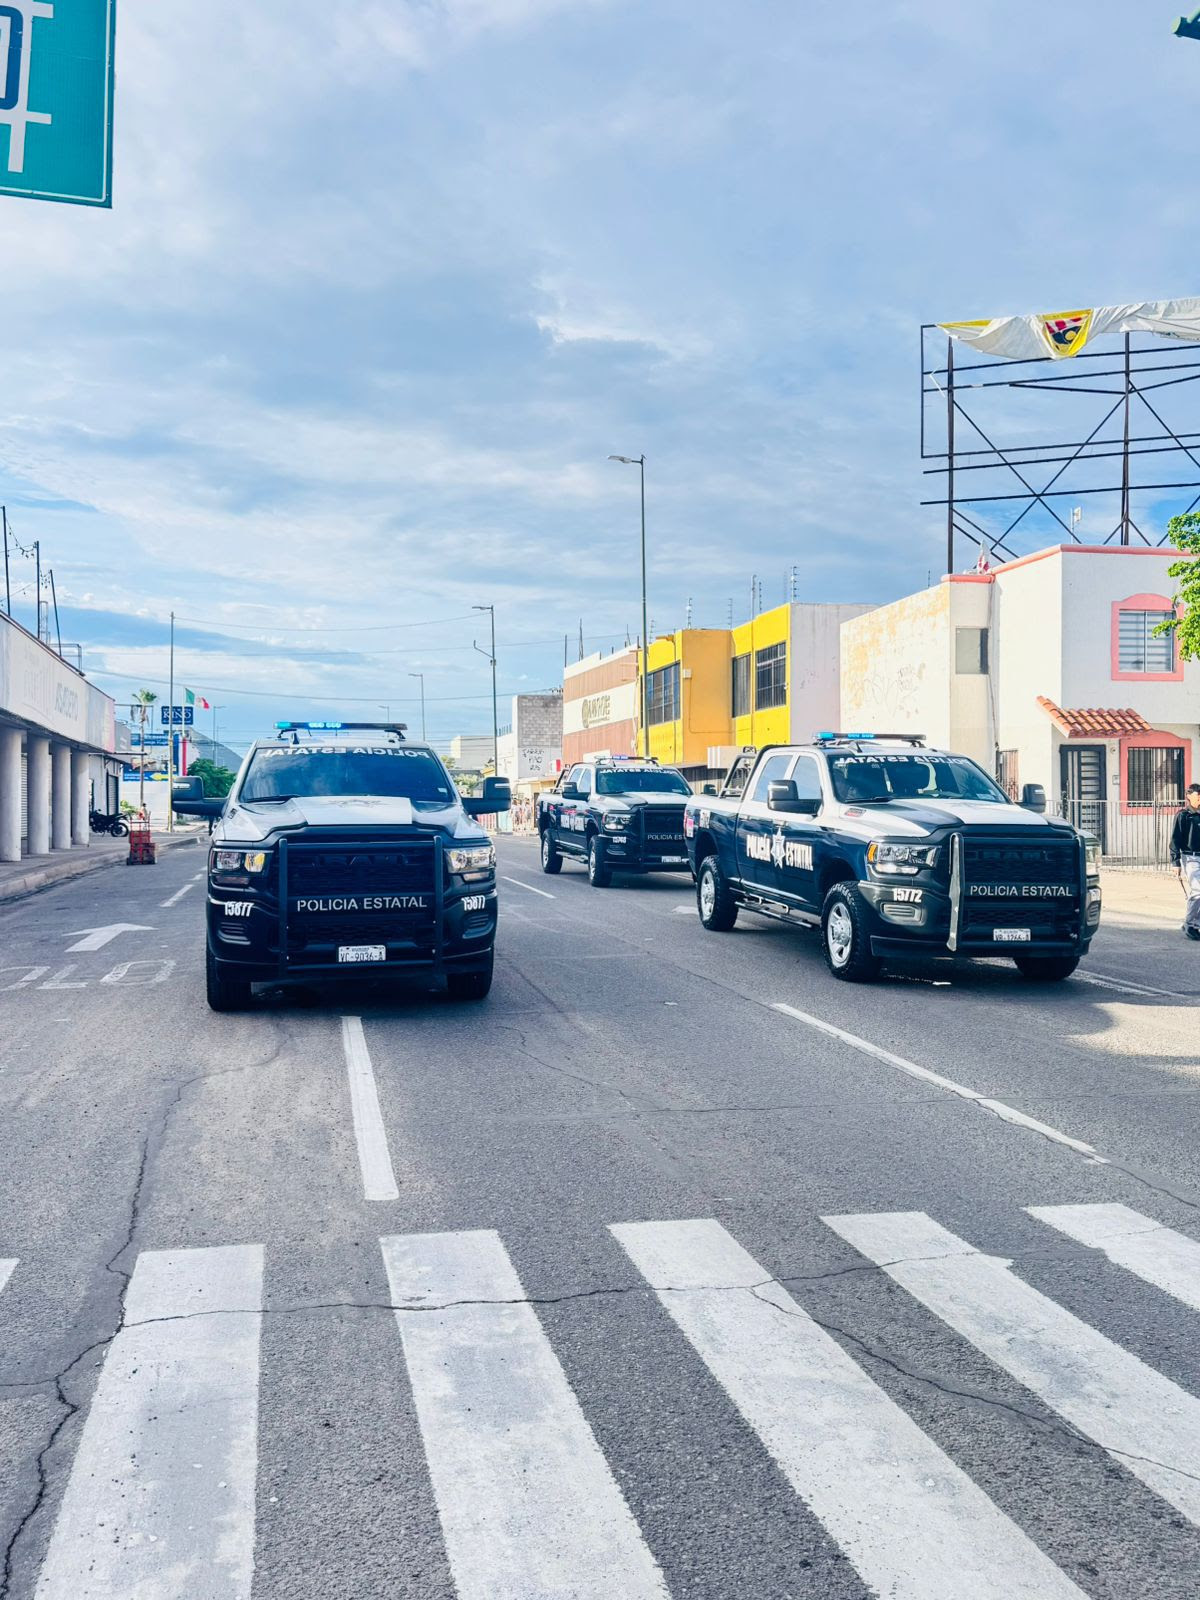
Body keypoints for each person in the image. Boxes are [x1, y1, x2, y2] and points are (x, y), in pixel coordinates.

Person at [1170, 782, 1200, 941]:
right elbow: (1175, 840)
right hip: (1190, 857)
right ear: (1189, 796)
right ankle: (1190, 924)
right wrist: (1175, 862)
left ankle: (1194, 923)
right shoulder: (1183, 815)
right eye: (1197, 796)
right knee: (1198, 890)